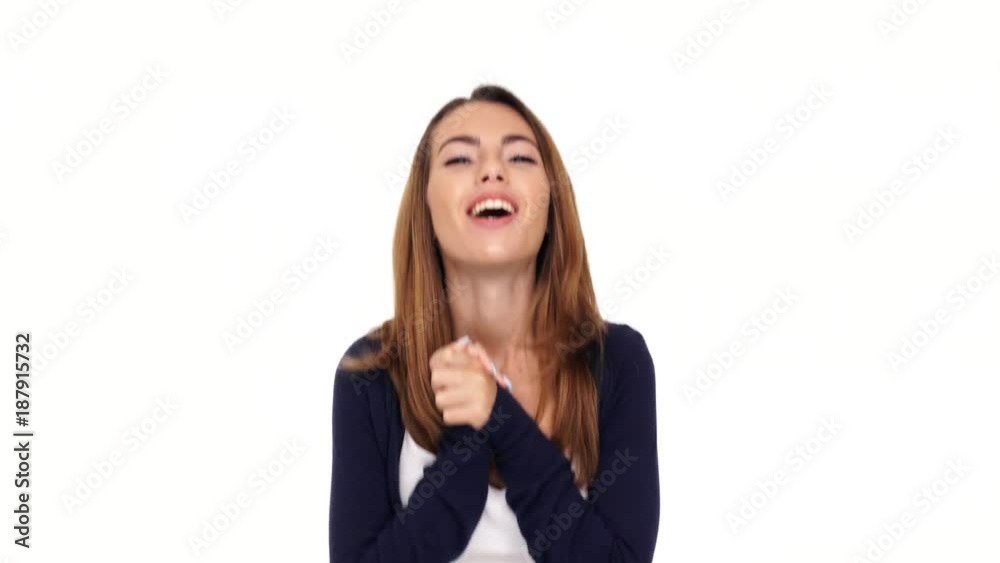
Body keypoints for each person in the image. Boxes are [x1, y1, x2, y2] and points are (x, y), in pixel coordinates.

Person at [329, 84, 659, 562]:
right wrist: (468, 438)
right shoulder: (370, 371)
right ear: (425, 203)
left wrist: (499, 417)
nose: (491, 170)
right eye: (460, 160)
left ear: (551, 202)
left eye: (521, 158)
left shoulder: (617, 361)